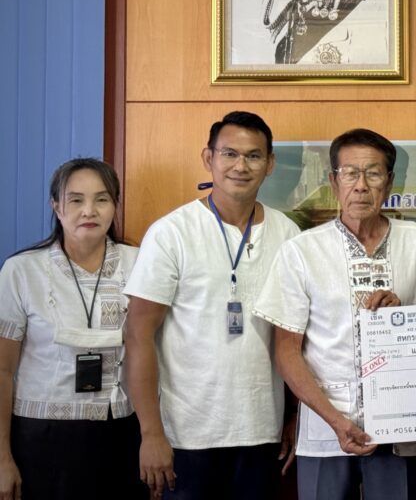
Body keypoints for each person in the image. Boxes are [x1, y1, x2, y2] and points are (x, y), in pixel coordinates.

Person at [253, 128, 416, 500]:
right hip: (325, 424)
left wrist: (406, 319)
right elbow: (286, 350)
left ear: (389, 182)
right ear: (334, 181)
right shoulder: (302, 251)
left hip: (403, 422)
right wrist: (334, 420)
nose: (361, 185)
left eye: (373, 173)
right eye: (350, 173)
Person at [123, 111, 301, 499]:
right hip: (187, 436)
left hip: (262, 432)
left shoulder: (288, 234)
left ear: (270, 164)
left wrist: (293, 414)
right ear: (209, 158)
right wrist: (150, 433)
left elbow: (294, 338)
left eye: (254, 156)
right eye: (229, 154)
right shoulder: (172, 233)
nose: (241, 166)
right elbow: (137, 335)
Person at [0, 158, 147, 500]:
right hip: (42, 438)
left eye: (102, 199)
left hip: (122, 433)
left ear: (115, 204)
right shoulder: (21, 271)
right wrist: (2, 457)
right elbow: (2, 370)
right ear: (56, 206)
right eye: (76, 199)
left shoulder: (141, 263)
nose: (89, 211)